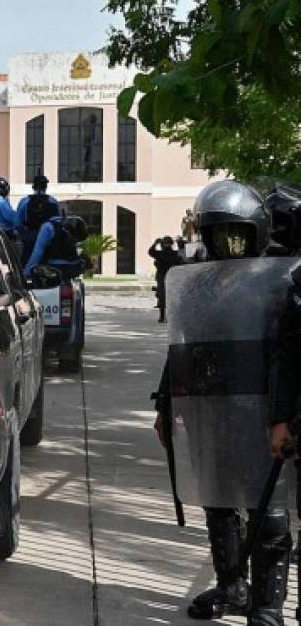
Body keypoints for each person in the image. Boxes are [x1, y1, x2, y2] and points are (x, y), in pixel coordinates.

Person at [153, 180, 291, 624]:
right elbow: (181, 347)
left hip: (263, 408)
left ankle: (266, 609)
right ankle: (232, 586)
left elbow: (288, 352)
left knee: (267, 510)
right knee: (218, 499)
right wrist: (165, 407)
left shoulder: (280, 280)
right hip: (211, 407)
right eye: (218, 234)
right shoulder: (198, 285)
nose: (227, 244)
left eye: (236, 233)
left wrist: (283, 414)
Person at [22, 213, 88, 278]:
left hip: (55, 268)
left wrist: (26, 272)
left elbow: (37, 253)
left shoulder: (47, 226)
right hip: (75, 267)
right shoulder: (68, 223)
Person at [16, 170, 60, 262]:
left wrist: (24, 236)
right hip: (48, 241)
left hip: (30, 238)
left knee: (26, 266)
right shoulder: (53, 201)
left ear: (33, 187)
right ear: (46, 187)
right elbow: (58, 222)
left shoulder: (24, 201)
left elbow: (17, 223)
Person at [148, 236, 182, 323]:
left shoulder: (161, 254)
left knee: (162, 297)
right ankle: (166, 316)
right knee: (170, 297)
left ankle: (162, 316)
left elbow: (151, 252)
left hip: (163, 277)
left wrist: (155, 243)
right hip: (171, 277)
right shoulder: (175, 253)